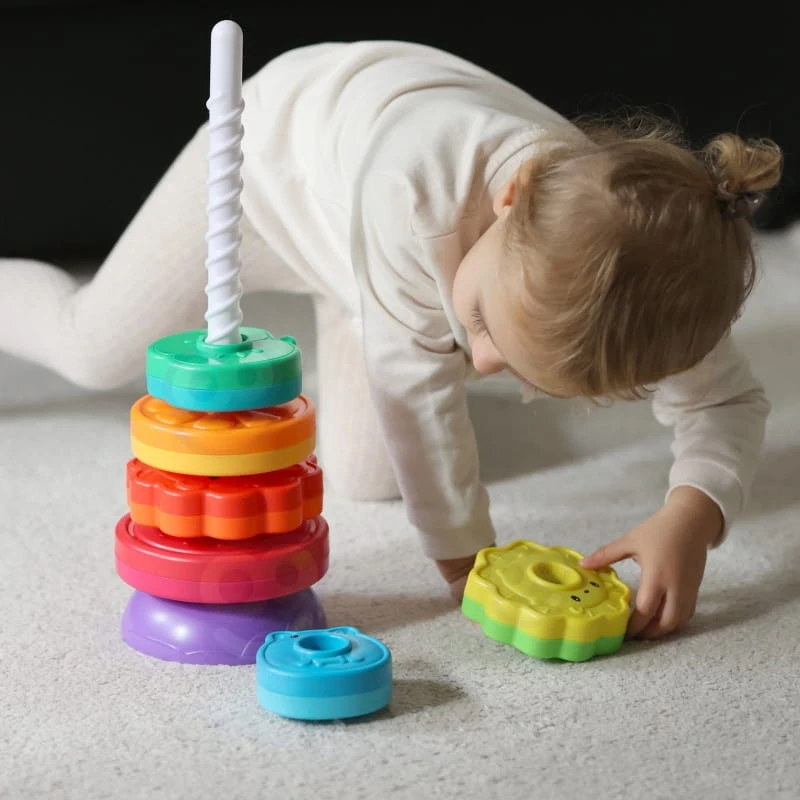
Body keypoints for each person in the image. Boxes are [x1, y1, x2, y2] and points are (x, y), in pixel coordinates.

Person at [0, 41, 782, 639]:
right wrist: (469, 562)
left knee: (370, 478)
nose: (479, 362)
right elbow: (419, 397)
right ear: (509, 200)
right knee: (92, 346)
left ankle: (368, 308)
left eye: (522, 372)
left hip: (378, 257)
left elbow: (729, 401)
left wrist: (693, 514)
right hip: (269, 166)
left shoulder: (662, 284)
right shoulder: (416, 191)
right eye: (484, 326)